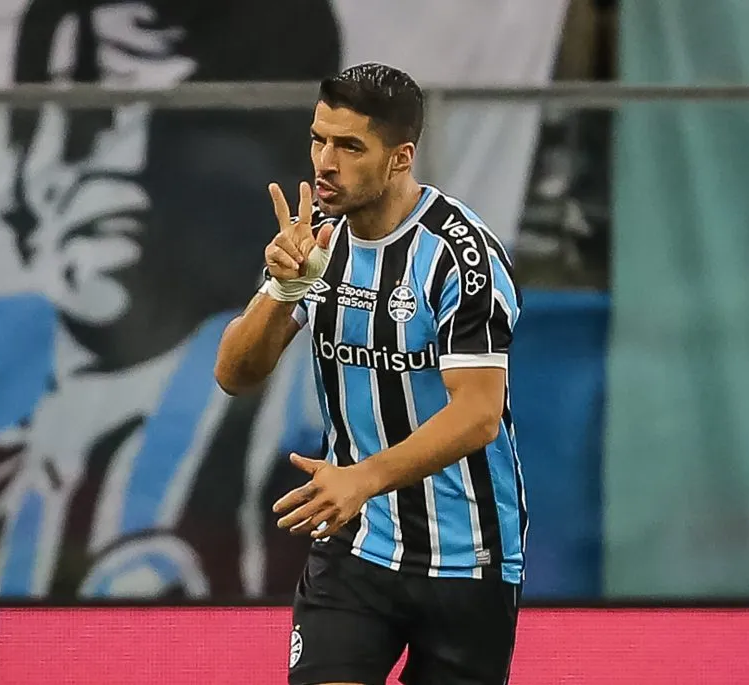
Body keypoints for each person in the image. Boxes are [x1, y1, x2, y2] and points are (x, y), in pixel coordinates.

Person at [215, 63, 527, 685]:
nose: (325, 163)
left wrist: (362, 479)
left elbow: (478, 414)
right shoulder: (316, 243)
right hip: (355, 547)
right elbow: (235, 374)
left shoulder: (460, 257)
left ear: (400, 157)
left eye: (350, 147)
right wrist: (284, 288)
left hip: (468, 557)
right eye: (318, 140)